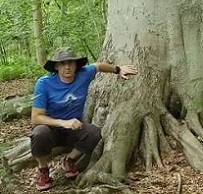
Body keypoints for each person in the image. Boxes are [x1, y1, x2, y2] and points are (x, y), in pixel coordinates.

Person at [30, 46, 137, 191]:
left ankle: (69, 160)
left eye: (71, 63)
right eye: (62, 63)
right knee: (38, 134)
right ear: (56, 66)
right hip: (51, 129)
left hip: (74, 128)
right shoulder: (44, 84)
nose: (67, 67)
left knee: (94, 133)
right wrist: (62, 122)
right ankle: (43, 169)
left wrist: (118, 69)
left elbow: (98, 66)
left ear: (76, 64)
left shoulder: (83, 74)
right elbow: (36, 118)